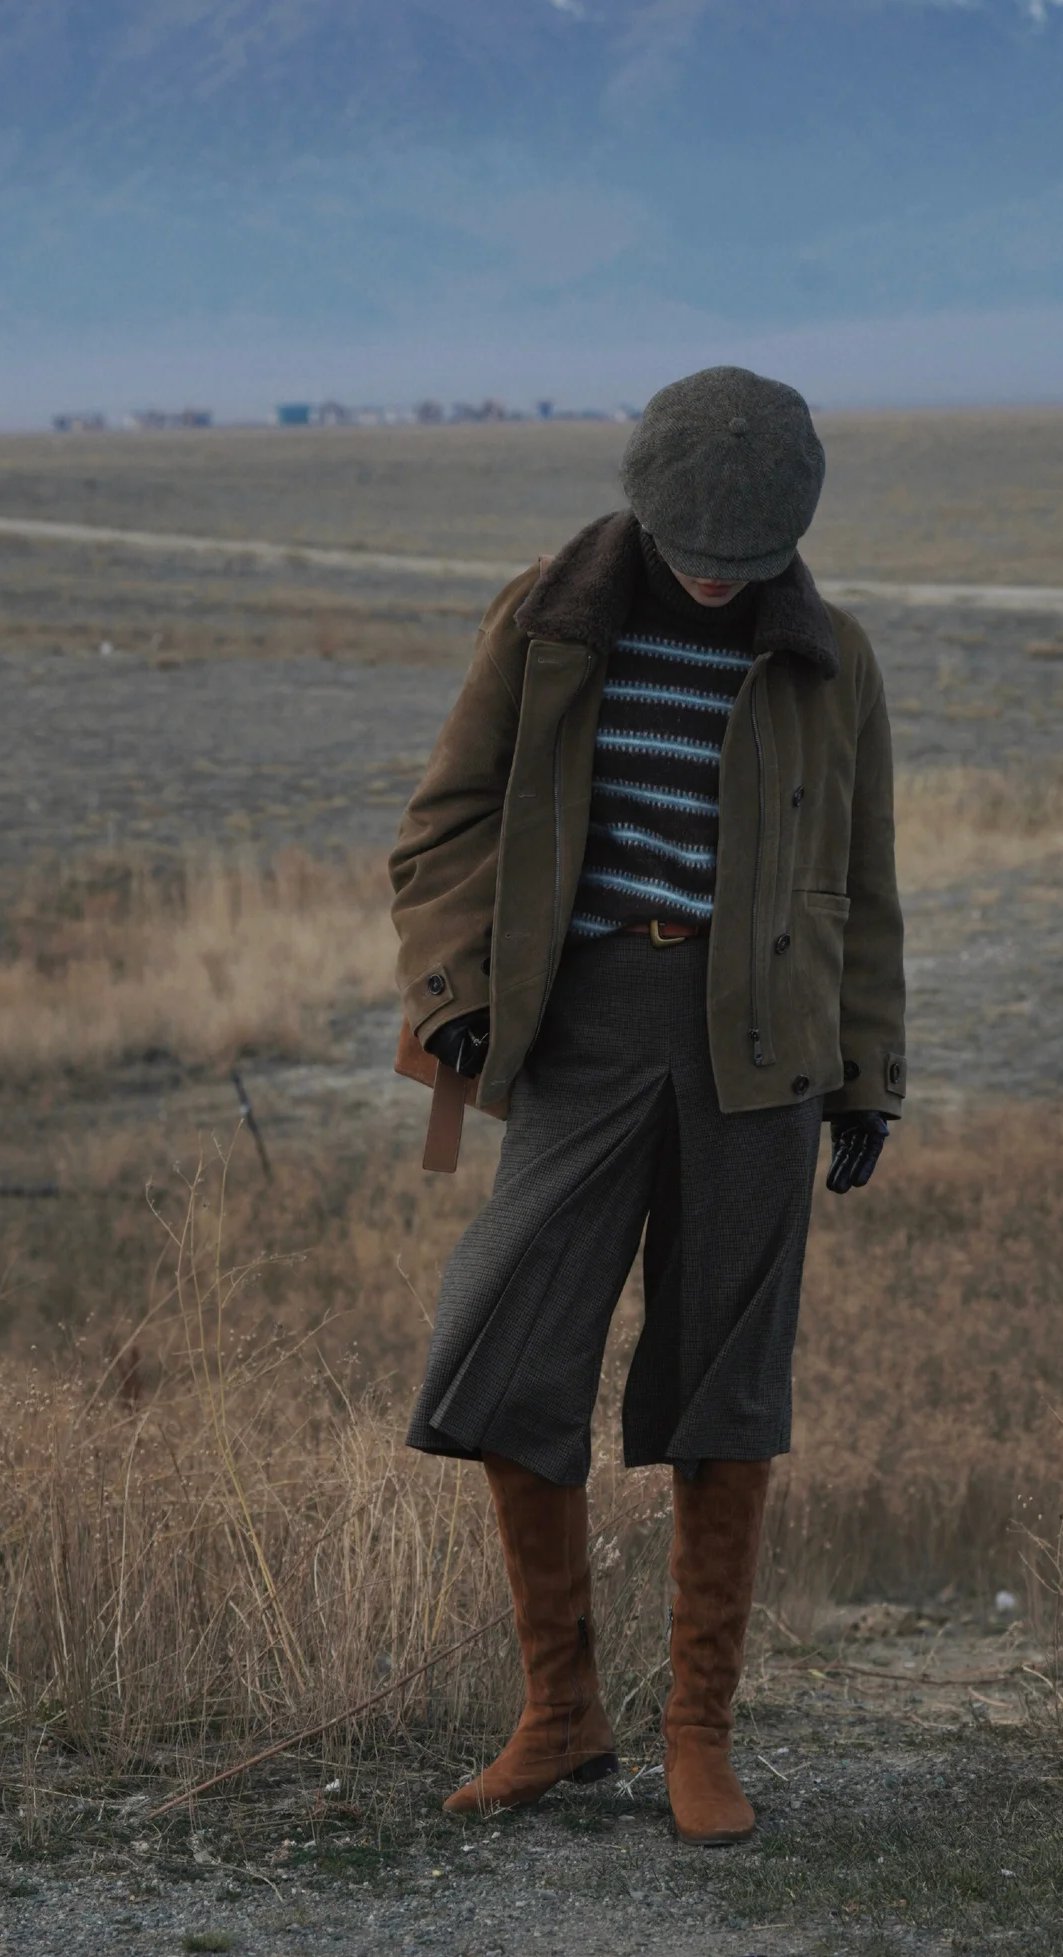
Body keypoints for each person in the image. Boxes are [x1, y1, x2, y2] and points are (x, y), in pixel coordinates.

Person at [389, 365, 906, 1845]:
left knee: (725, 1383)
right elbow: (442, 825)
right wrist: (456, 986)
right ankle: (560, 1716)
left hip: (764, 1048)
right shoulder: (545, 623)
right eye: (693, 544)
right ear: (643, 500)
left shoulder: (834, 662)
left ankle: (698, 1732)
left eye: (742, 560)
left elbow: (864, 886)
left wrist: (866, 1069)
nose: (710, 573)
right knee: (503, 1341)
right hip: (586, 1026)